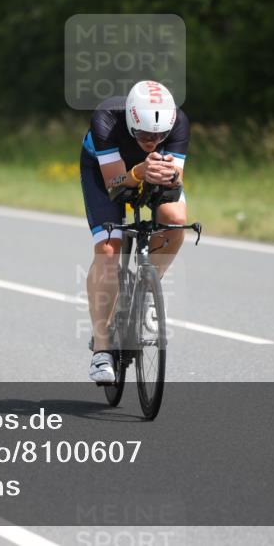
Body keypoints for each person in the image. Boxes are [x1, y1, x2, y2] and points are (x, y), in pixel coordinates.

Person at [79, 80, 190, 382]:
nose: (153, 141)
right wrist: (139, 172)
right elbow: (115, 188)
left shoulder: (178, 121)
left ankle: (149, 288)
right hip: (105, 173)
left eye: (160, 136)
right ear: (130, 122)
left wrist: (169, 177)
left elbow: (175, 183)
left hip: (149, 172)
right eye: (144, 135)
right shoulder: (106, 118)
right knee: (108, 249)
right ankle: (101, 351)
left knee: (175, 222)